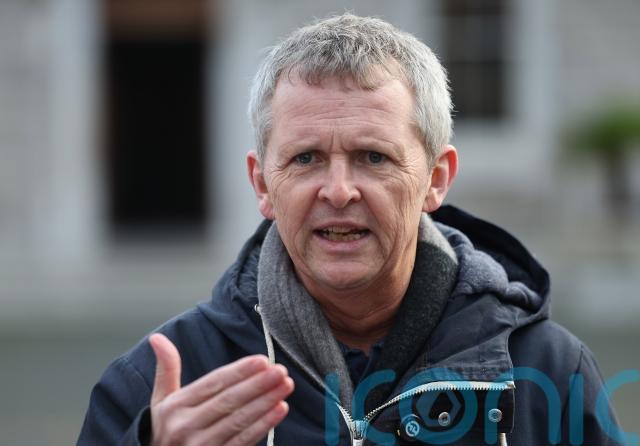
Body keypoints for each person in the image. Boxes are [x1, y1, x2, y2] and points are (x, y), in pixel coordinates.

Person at [78, 13, 623, 446]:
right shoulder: (162, 389)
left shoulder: (549, 375)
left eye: (373, 157)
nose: (338, 191)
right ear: (262, 184)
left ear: (436, 179)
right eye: (306, 158)